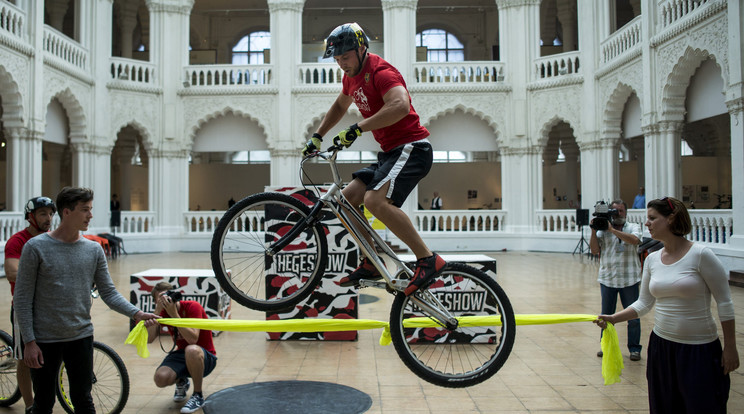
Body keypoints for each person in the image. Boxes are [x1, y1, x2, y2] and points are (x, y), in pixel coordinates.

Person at [302, 22, 445, 296]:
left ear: (361, 48)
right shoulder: (350, 78)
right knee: (345, 202)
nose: (342, 64)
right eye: (337, 59)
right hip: (390, 153)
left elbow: (400, 106)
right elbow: (340, 105)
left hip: (412, 148)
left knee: (374, 200)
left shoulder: (381, 72)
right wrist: (318, 135)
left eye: (345, 57)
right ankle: (371, 261)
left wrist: (358, 128)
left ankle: (427, 259)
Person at [13, 187, 159, 414]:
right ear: (67, 212)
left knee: (84, 400)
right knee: (43, 403)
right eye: (85, 210)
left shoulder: (93, 250)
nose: (90, 215)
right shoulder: (35, 247)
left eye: (90, 210)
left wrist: (137, 314)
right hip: (44, 340)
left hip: (80, 337)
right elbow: (22, 299)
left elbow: (109, 293)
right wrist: (29, 342)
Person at [595, 197, 739, 413]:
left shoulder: (700, 255)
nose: (647, 223)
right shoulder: (652, 259)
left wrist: (730, 347)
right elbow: (643, 303)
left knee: (702, 405)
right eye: (647, 219)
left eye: (653, 218)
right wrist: (614, 318)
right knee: (664, 406)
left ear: (671, 219)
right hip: (661, 347)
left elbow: (725, 303)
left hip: (699, 349)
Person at [4, 197, 56, 414]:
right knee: (25, 359)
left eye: (51, 214)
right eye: (43, 213)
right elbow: (11, 271)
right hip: (24, 307)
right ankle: (28, 405)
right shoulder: (17, 241)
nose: (49, 218)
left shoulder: (54, 239)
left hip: (50, 306)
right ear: (30, 217)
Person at [147, 282, 217, 414]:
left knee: (191, 349)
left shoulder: (192, 306)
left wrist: (175, 315)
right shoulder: (161, 313)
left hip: (205, 355)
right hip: (182, 355)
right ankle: (181, 381)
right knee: (160, 378)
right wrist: (156, 312)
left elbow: (192, 339)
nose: (166, 300)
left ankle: (198, 395)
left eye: (167, 295)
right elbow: (149, 339)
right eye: (160, 299)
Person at [589, 199, 643, 361]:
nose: (618, 214)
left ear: (626, 213)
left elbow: (634, 240)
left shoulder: (633, 227)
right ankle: (605, 346)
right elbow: (594, 250)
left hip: (629, 279)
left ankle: (634, 349)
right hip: (608, 279)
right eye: (615, 211)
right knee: (605, 317)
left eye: (621, 211)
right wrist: (593, 230)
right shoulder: (602, 231)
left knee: (633, 316)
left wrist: (613, 230)